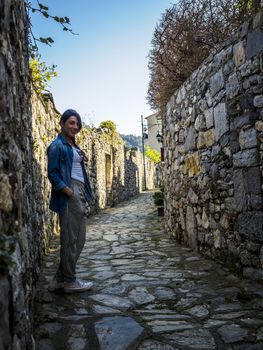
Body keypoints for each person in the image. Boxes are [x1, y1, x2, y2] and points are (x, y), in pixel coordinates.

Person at [47, 109, 93, 293]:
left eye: (77, 124)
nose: (75, 127)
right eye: (71, 123)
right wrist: (67, 191)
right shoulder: (57, 145)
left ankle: (59, 279)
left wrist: (81, 156)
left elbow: (72, 165)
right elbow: (52, 172)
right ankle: (70, 281)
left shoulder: (71, 145)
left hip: (78, 191)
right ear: (62, 123)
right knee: (71, 239)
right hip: (70, 192)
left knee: (78, 238)